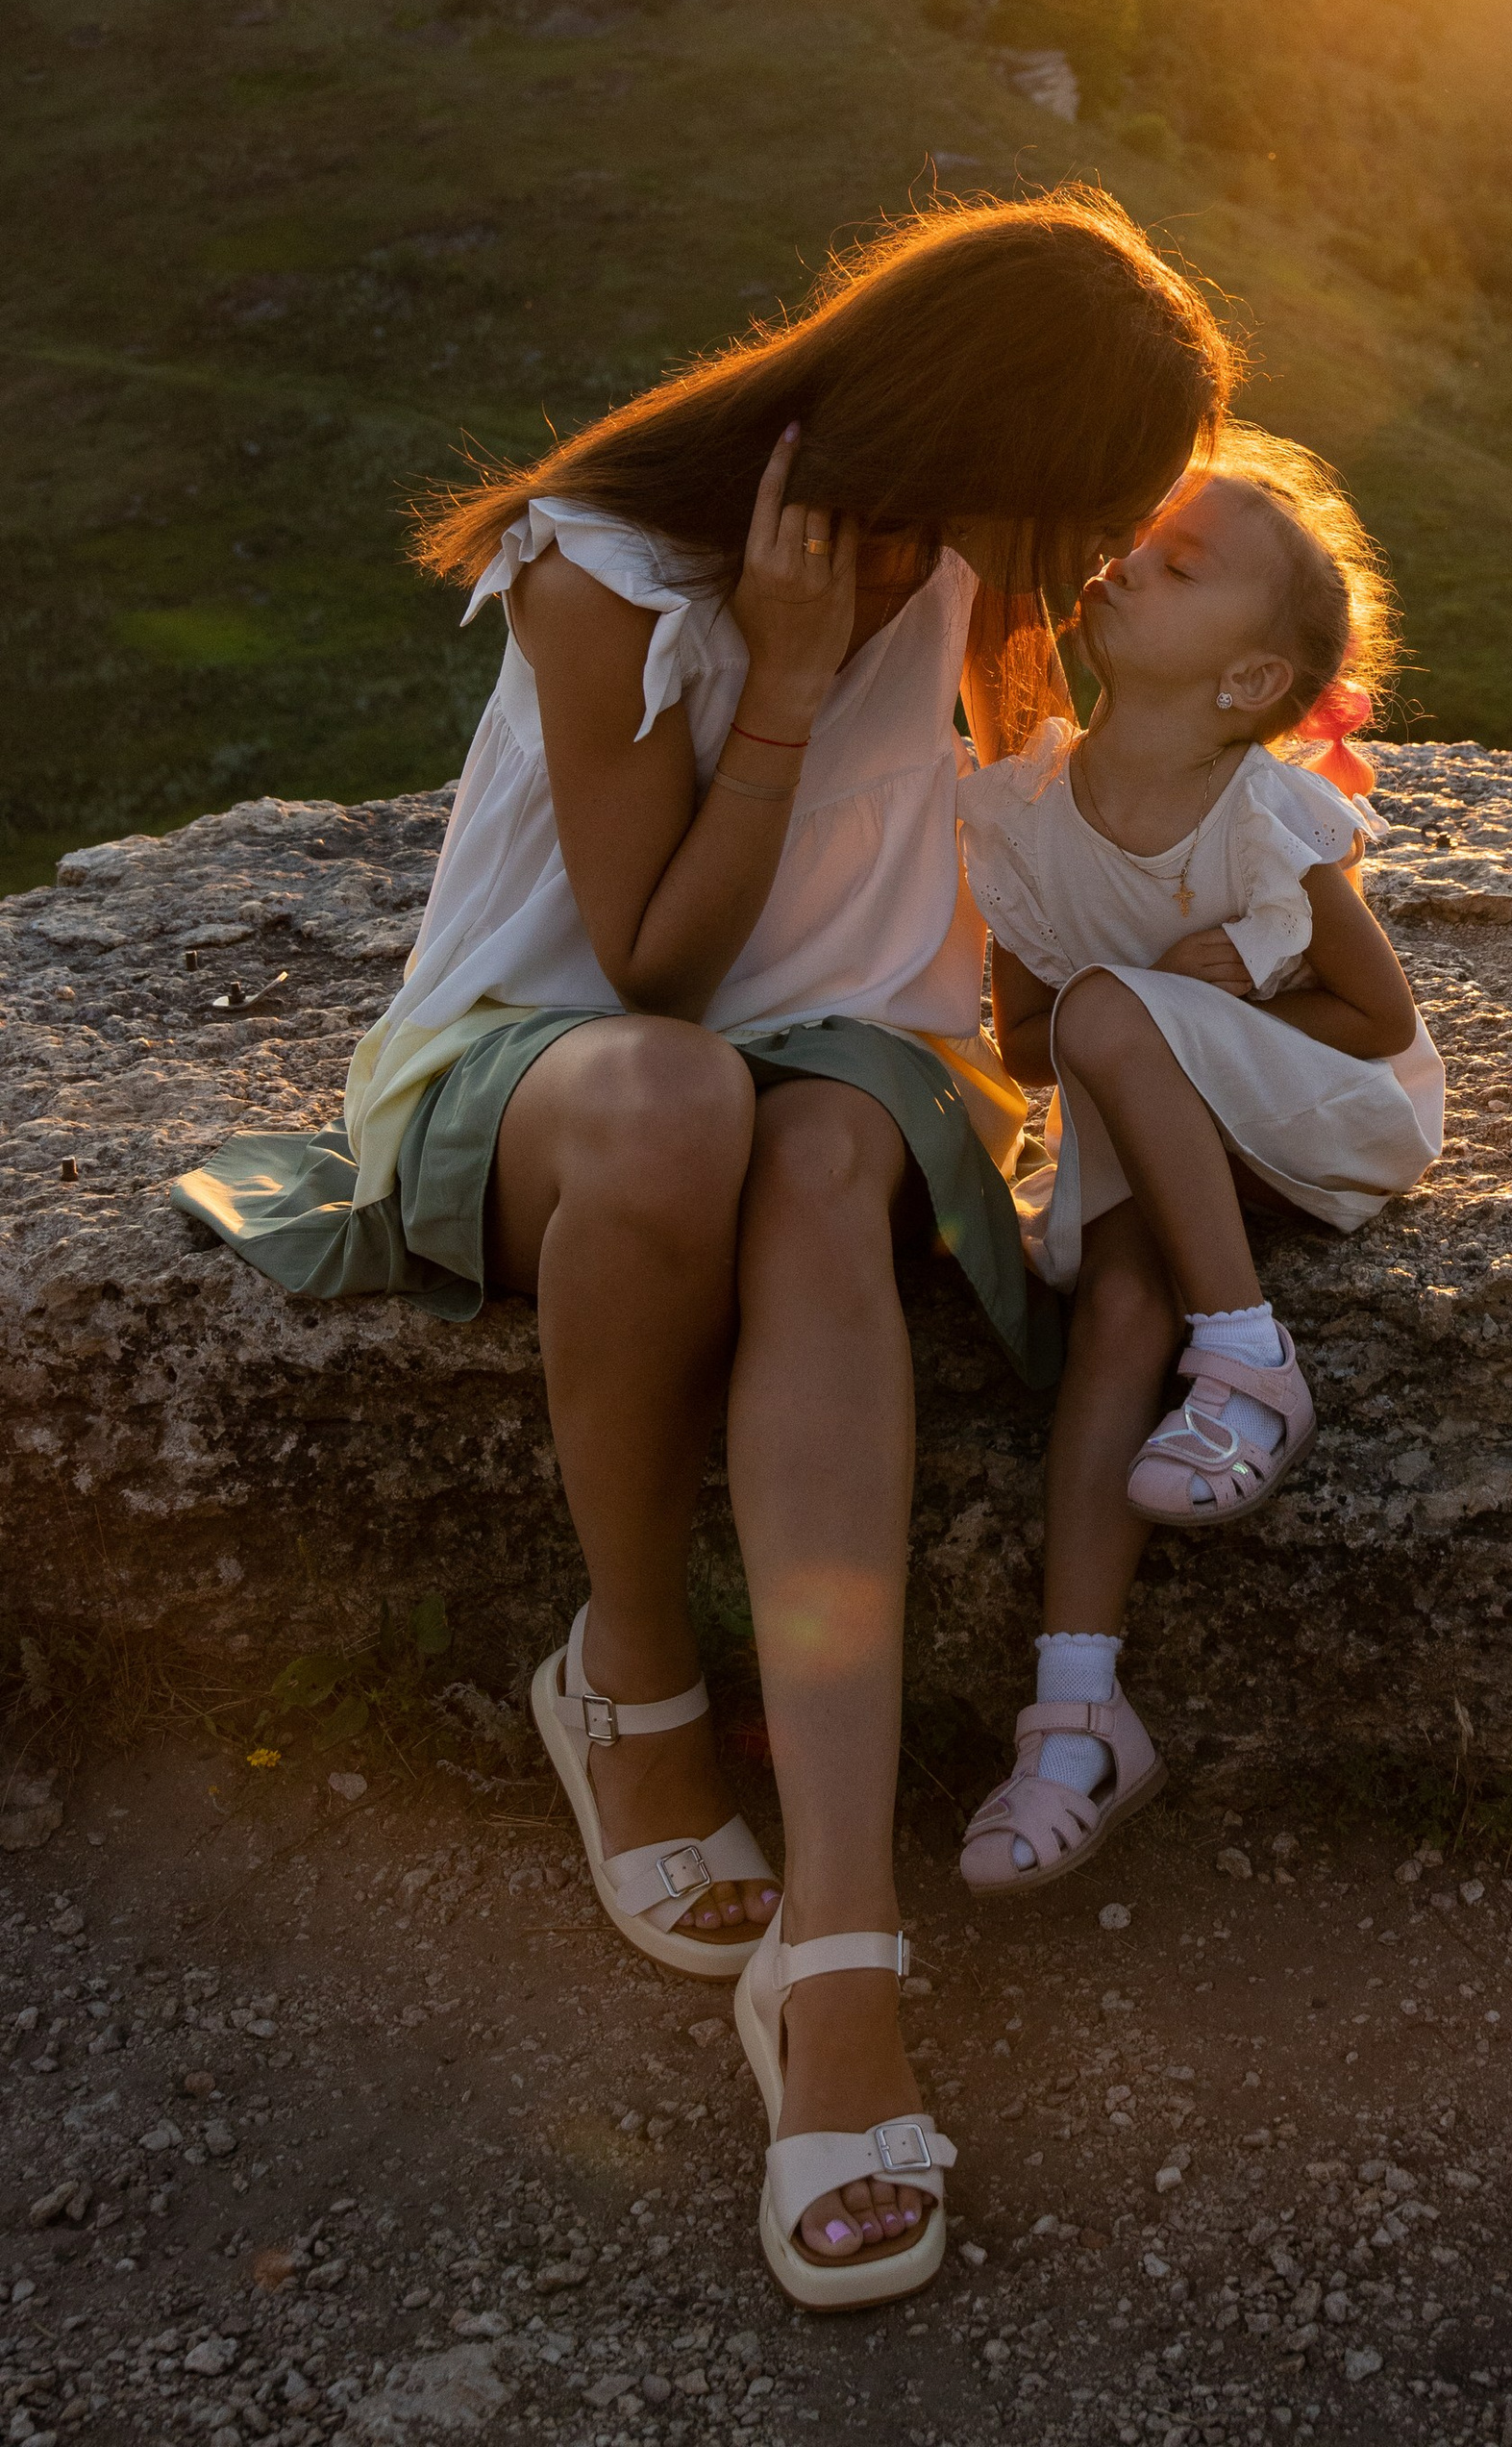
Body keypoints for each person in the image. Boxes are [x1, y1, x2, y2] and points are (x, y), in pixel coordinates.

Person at [175, 192, 1235, 2313]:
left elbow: (1034, 799)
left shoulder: (955, 548)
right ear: (964, 434)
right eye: (1074, 504)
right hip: (554, 1064)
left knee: (823, 1152)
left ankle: (837, 1967)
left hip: (851, 1062)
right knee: (686, 1105)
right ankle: (630, 1680)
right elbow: (654, 963)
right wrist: (787, 685)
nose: (1085, 558)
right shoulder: (611, 563)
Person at [948, 430, 1444, 1897]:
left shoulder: (1262, 817)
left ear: (1246, 685)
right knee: (1109, 1317)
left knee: (1117, 1013)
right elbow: (1036, 1045)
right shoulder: (1026, 822)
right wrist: (1125, 1018)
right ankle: (1077, 1720)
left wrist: (1232, 990)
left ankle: (1250, 1358)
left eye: (1181, 564)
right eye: (1137, 544)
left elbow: (1380, 1021)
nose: (1126, 565)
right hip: (1160, 1135)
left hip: (1314, 1117)